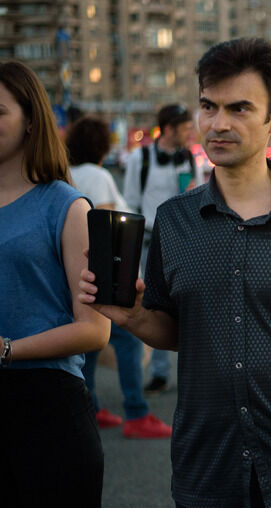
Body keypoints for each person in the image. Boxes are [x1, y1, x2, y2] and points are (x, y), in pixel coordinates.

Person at [80, 38, 271, 507]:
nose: (218, 124)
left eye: (240, 108)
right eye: (208, 106)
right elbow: (180, 331)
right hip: (209, 469)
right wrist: (133, 315)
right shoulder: (175, 219)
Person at [0, 59, 110, 507]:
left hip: (47, 410)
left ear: (30, 119)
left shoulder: (68, 206)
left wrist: (7, 349)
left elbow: (96, 329)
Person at [66, 116, 173, 438]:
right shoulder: (98, 177)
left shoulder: (68, 175)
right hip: (107, 278)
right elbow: (112, 231)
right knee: (126, 341)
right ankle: (137, 413)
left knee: (90, 347)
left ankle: (92, 406)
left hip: (81, 275)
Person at [123, 103, 197, 394]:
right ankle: (159, 373)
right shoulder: (139, 159)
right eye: (186, 128)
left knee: (186, 303)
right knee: (153, 306)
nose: (191, 132)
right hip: (147, 240)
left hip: (182, 240)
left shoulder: (188, 157)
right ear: (168, 129)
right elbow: (129, 201)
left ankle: (188, 373)